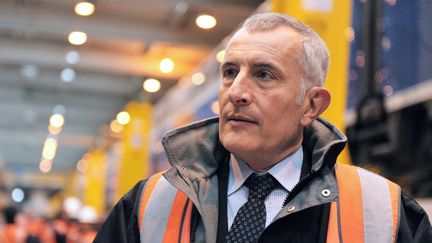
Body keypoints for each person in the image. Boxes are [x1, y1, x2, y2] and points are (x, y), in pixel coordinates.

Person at [95, 13, 432, 243]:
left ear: (312, 105)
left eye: (263, 75)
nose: (237, 93)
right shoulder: (148, 204)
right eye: (230, 73)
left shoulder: (386, 214)